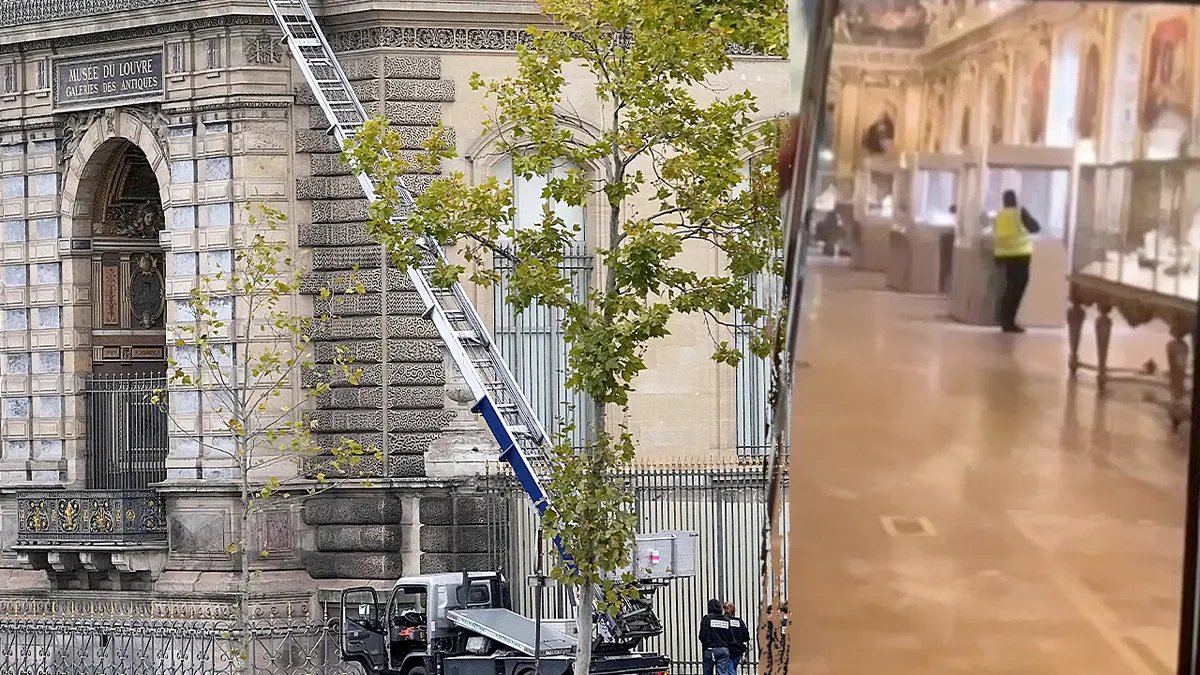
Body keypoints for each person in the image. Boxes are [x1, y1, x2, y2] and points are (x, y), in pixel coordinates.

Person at [993, 189, 1041, 333]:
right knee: (1016, 290)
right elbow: (1036, 227)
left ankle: (1005, 319)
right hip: (1020, 255)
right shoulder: (1020, 213)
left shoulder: (999, 215)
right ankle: (1009, 322)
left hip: (1004, 256)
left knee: (1009, 288)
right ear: (1016, 200)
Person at [698, 598, 735, 675]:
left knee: (708, 672)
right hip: (724, 649)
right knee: (722, 672)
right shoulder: (726, 619)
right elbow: (730, 637)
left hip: (710, 648)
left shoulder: (707, 618)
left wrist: (705, 642)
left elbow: (702, 635)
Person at [724, 602, 751, 670]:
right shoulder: (739, 621)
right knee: (732, 669)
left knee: (729, 670)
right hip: (737, 649)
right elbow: (746, 637)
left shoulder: (724, 621)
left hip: (727, 649)